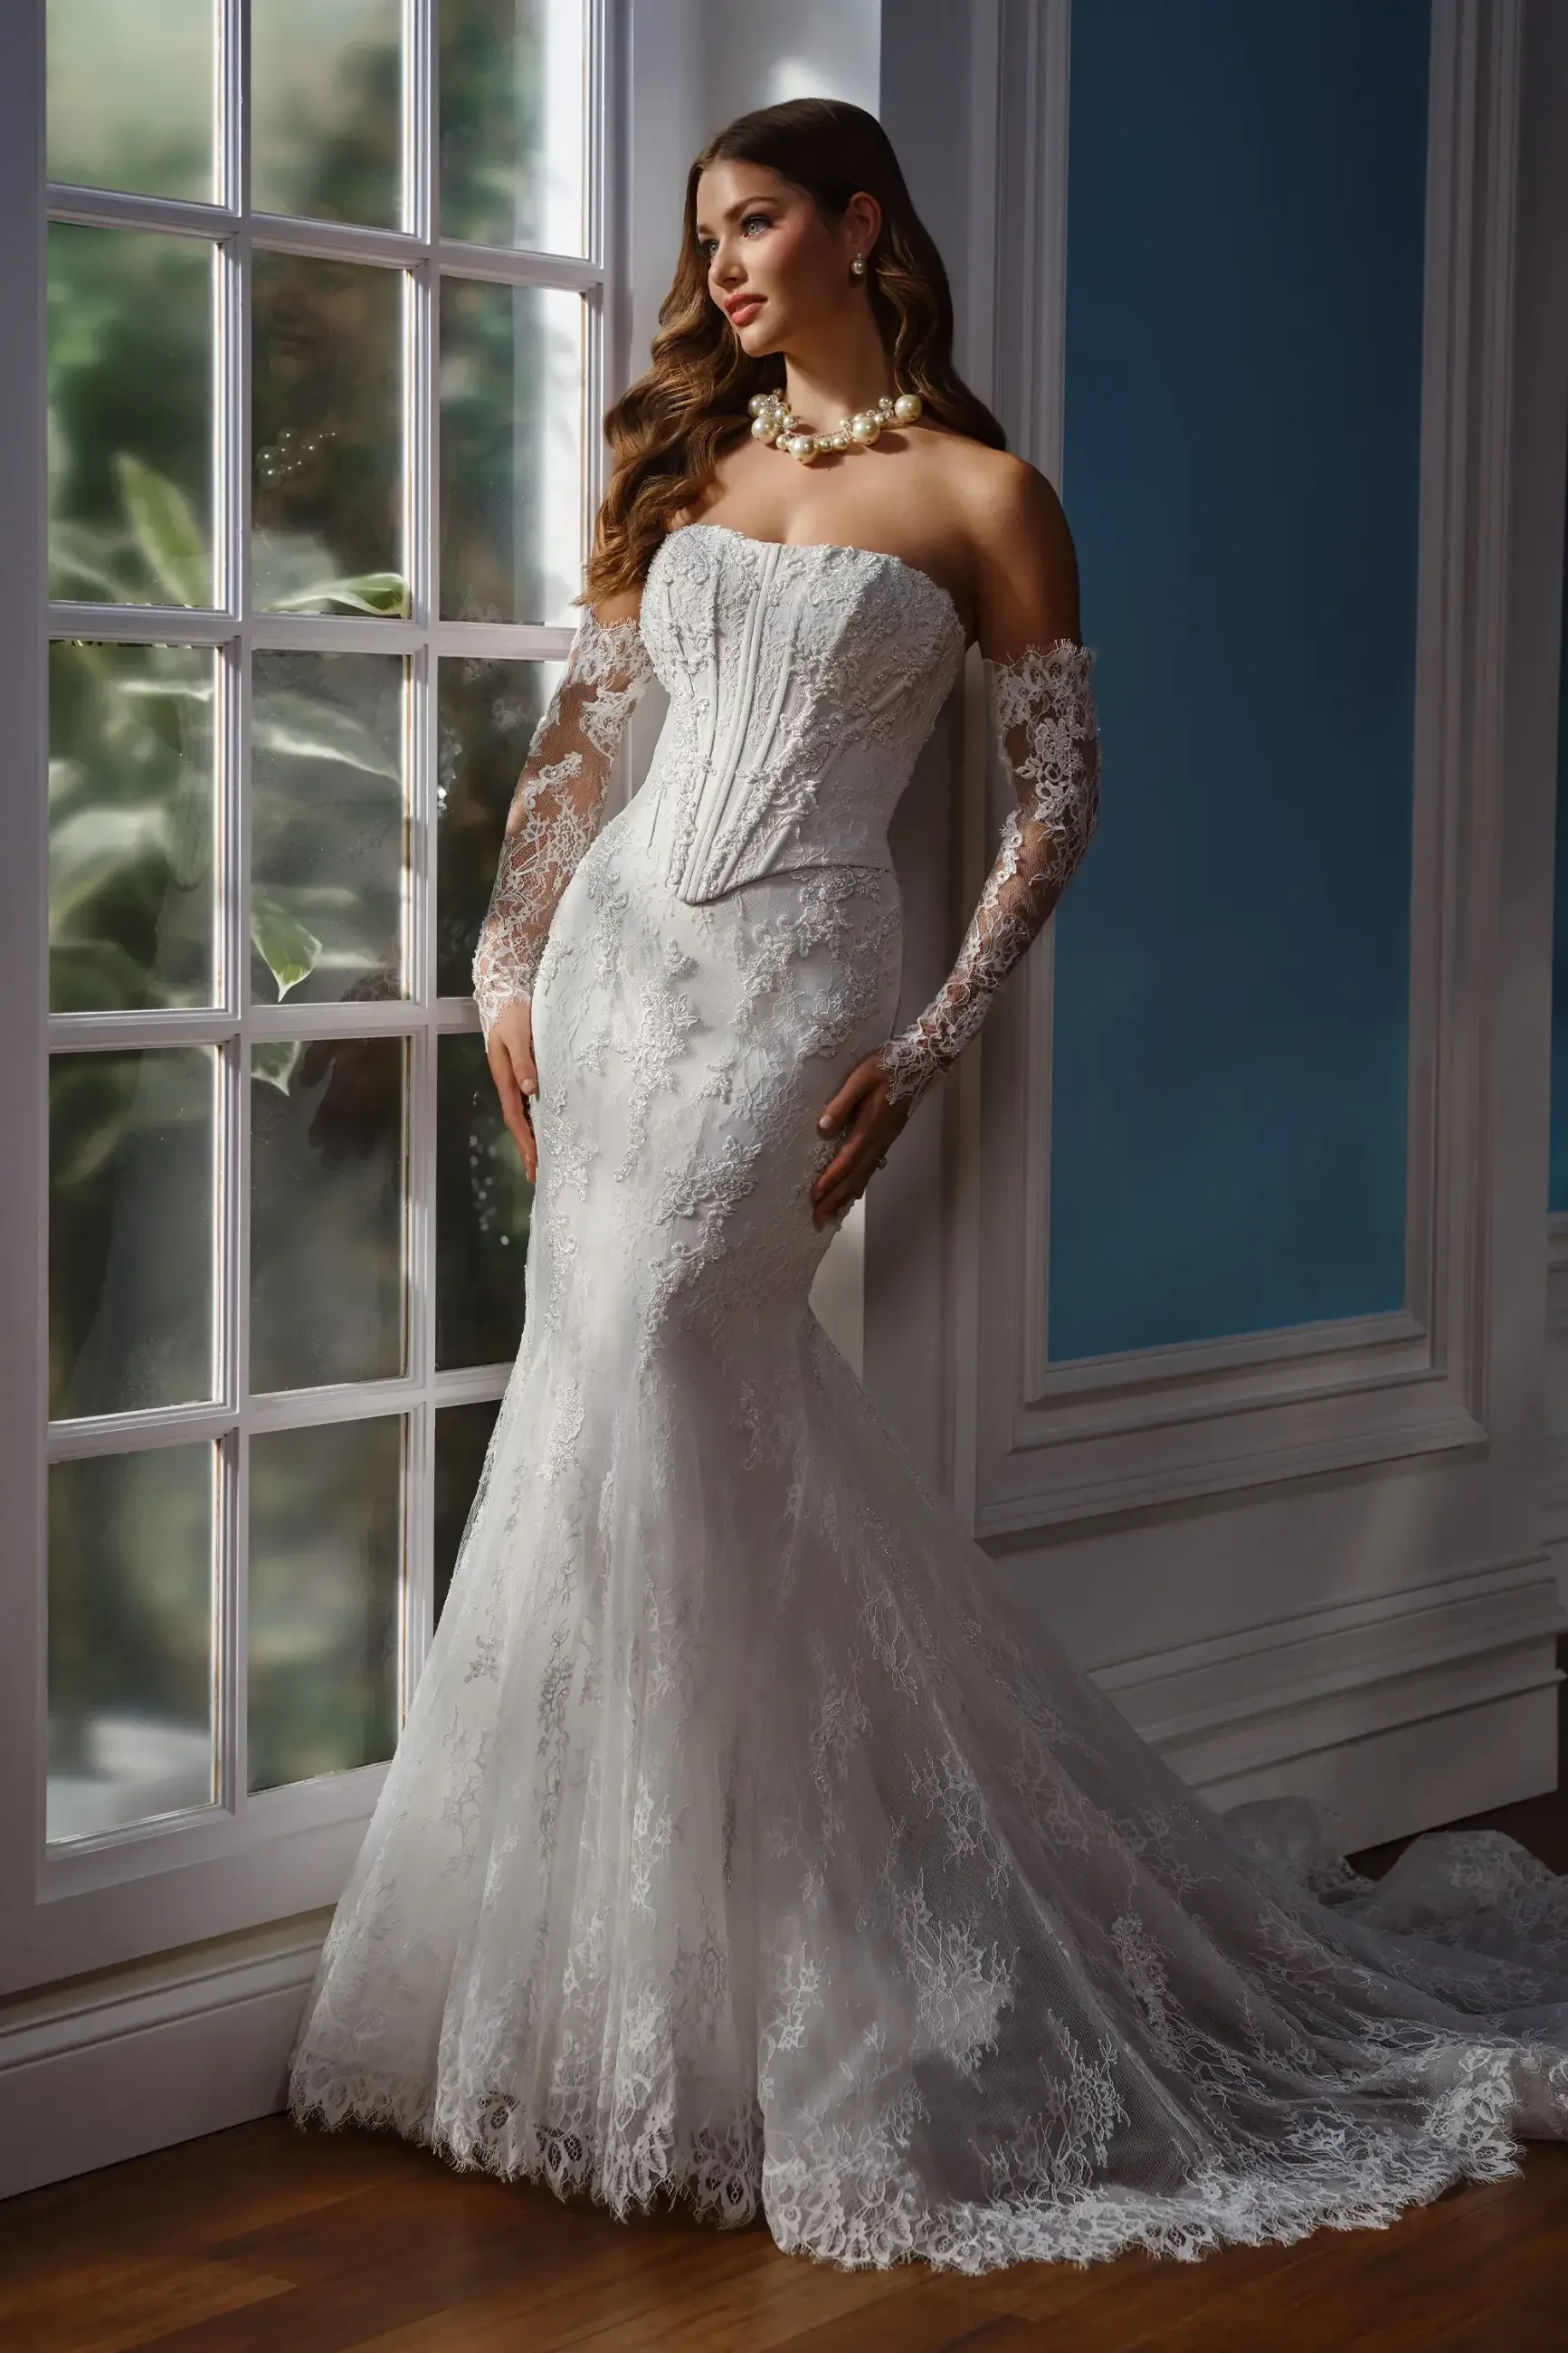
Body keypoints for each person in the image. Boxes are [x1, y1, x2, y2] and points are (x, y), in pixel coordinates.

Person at [288, 97, 1568, 2273]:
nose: (717, 263)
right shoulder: (693, 467)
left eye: (755, 220)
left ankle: (803, 1984)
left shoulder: (987, 497)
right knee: (608, 1406)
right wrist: (508, 948)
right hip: (620, 973)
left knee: (681, 1371)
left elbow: (1050, 806)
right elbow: (587, 741)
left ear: (860, 226)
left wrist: (932, 1040)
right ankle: (615, 2002)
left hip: (800, 983)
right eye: (704, 230)